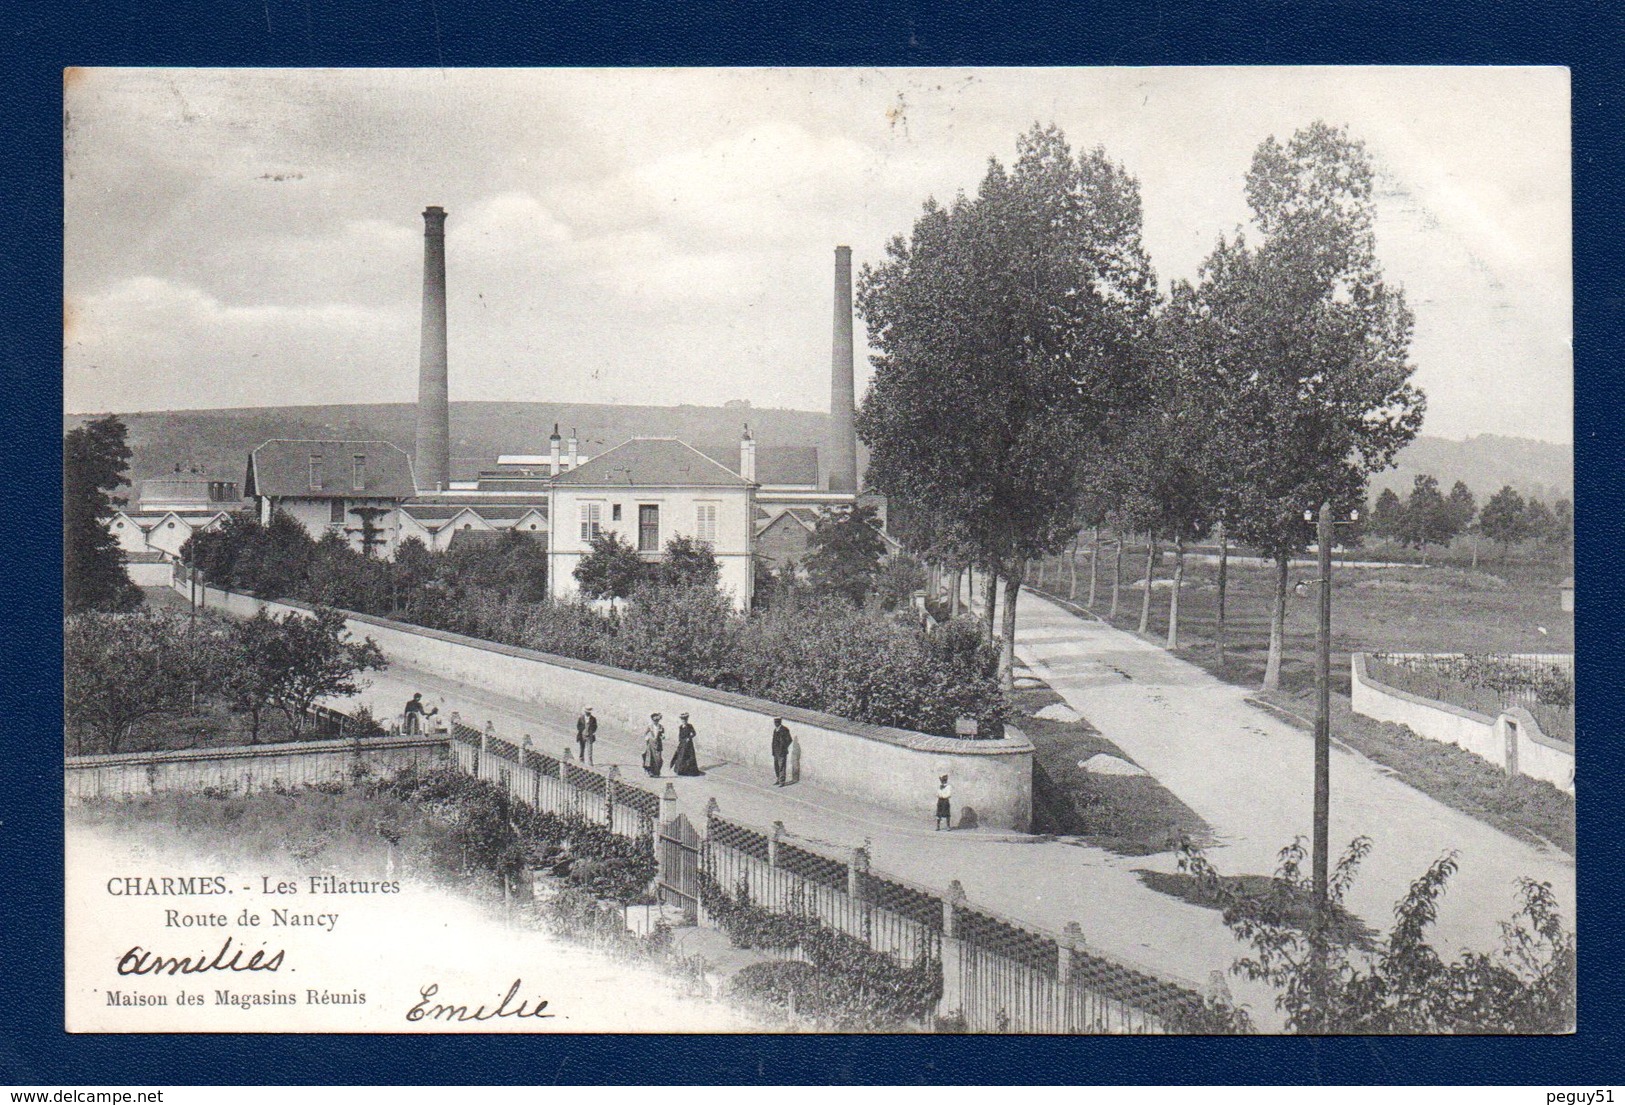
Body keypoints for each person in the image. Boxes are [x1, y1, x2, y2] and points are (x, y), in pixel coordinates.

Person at [672, 712, 703, 776]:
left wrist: (689, 738)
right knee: (681, 756)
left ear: (687, 720)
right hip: (682, 743)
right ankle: (680, 770)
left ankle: (689, 770)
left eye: (685, 720)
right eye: (683, 720)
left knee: (689, 757)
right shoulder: (680, 727)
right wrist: (680, 740)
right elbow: (680, 734)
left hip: (688, 744)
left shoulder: (690, 726)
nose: (684, 721)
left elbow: (694, 733)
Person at [641, 713, 665, 778]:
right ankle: (651, 772)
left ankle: (657, 772)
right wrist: (647, 738)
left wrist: (663, 737)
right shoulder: (650, 726)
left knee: (658, 759)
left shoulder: (661, 727)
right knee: (651, 758)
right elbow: (645, 733)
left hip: (658, 744)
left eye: (657, 720)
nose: (656, 722)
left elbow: (663, 734)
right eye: (654, 720)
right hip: (651, 743)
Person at [771, 717, 793, 786]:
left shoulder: (784, 729)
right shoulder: (775, 730)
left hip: (782, 751)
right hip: (776, 751)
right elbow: (773, 741)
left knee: (782, 766)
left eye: (777, 722)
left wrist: (783, 748)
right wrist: (773, 750)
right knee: (776, 766)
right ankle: (778, 779)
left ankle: (782, 781)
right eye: (775, 722)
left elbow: (789, 740)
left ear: (779, 722)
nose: (776, 724)